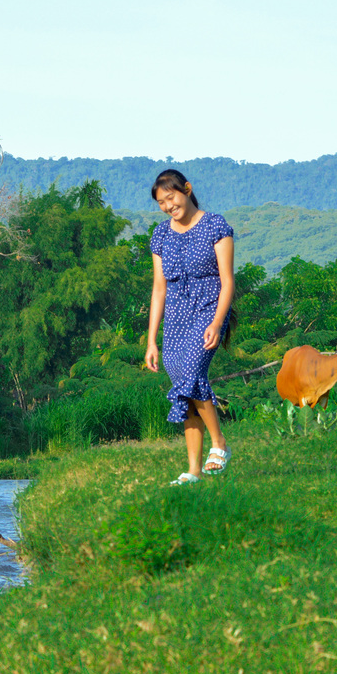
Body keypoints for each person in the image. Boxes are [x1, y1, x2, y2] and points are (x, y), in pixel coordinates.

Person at [144, 169, 236, 485]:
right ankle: (193, 470)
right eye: (161, 202)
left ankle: (219, 443)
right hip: (176, 320)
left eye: (171, 197)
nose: (168, 205)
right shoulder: (160, 235)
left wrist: (217, 322)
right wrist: (151, 341)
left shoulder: (215, 226)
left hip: (208, 311)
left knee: (193, 374)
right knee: (186, 388)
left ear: (187, 189)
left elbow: (227, 281)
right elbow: (159, 289)